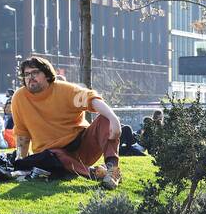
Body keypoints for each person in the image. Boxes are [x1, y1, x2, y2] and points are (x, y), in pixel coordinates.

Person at [10, 55, 122, 189]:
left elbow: (91, 99)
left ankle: (113, 169)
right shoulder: (19, 98)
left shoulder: (64, 90)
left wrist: (113, 119)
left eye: (35, 72)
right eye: (26, 74)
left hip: (82, 144)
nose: (30, 77)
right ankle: (94, 173)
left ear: (46, 74)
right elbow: (22, 133)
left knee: (105, 119)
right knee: (54, 154)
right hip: (52, 154)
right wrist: (22, 162)